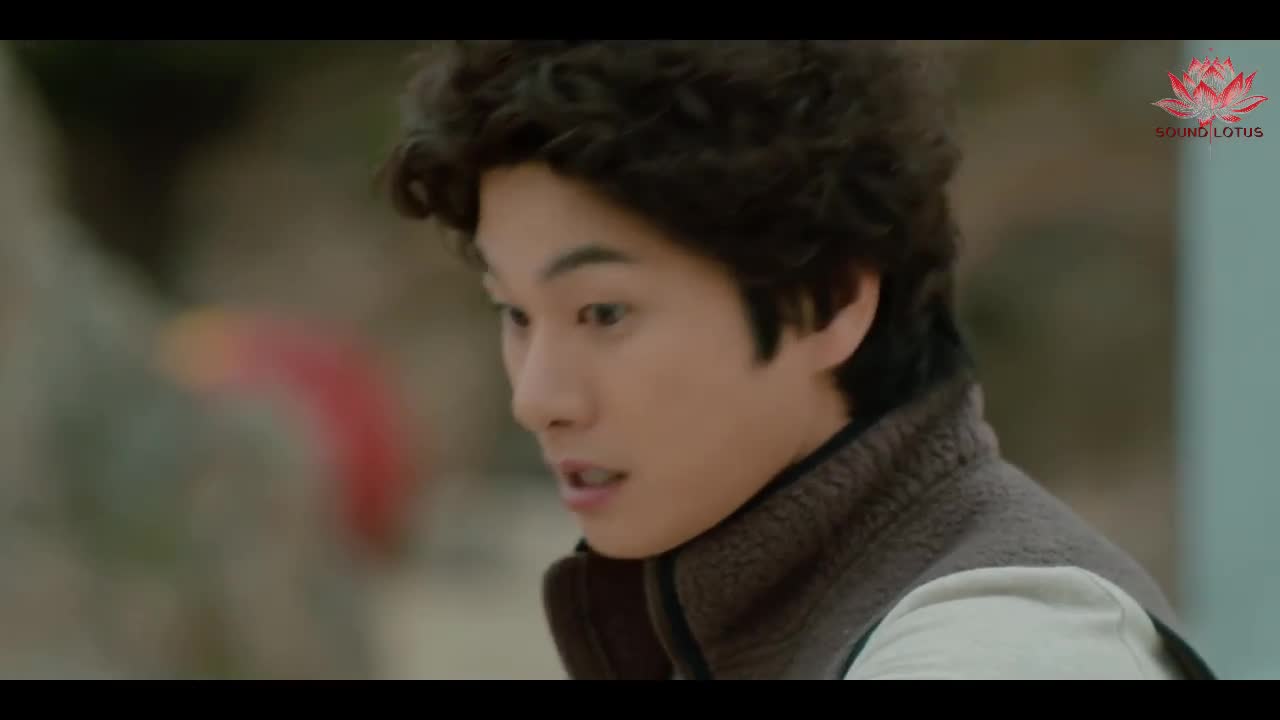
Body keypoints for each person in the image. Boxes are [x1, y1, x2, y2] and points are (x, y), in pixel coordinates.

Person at [378, 40, 1217, 680]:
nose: (536, 397)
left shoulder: (1004, 651)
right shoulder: (744, 617)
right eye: (515, 313)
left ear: (827, 300)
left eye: (604, 312)